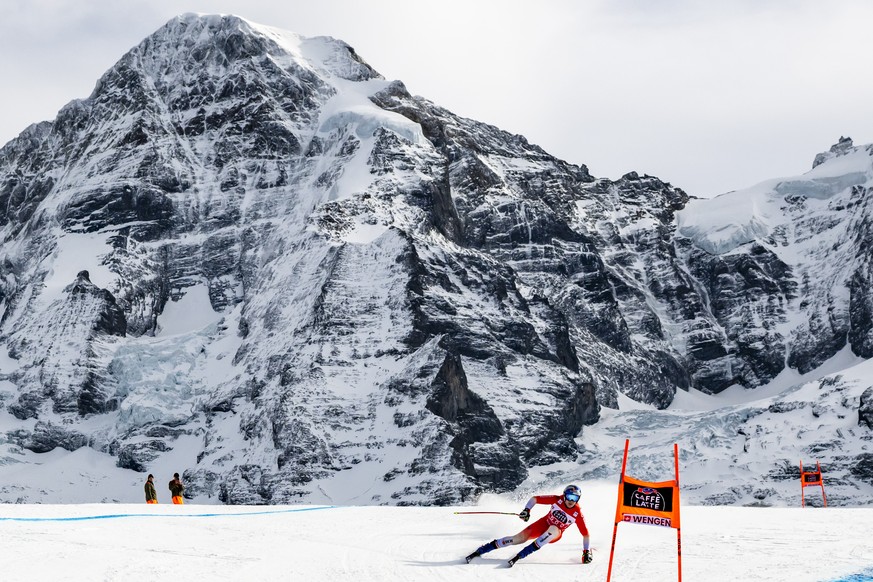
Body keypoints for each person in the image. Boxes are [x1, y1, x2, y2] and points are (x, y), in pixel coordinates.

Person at [465, 484, 592, 567]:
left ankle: (524, 553)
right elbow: (535, 499)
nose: (571, 501)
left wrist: (586, 551)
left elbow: (585, 534)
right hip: (542, 524)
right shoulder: (556, 499)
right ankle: (483, 549)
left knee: (553, 529)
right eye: (569, 497)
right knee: (518, 539)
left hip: (555, 534)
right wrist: (527, 510)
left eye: (575, 498)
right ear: (564, 496)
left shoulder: (577, 513)